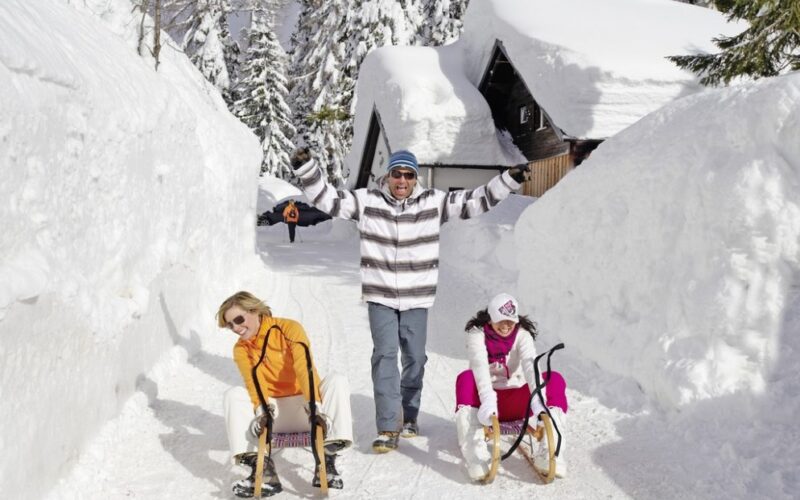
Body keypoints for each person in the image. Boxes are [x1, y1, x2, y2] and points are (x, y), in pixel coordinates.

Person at [291, 148, 530, 453]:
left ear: (415, 178)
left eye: (408, 174)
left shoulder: (434, 202)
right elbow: (328, 199)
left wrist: (508, 181)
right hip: (381, 296)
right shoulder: (368, 202)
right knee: (385, 357)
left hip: (417, 297)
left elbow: (473, 201)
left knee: (415, 359)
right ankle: (388, 426)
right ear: (387, 176)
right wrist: (306, 168)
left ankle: (409, 413)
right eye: (396, 173)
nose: (401, 180)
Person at [217, 291, 354, 497]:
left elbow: (303, 366)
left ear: (254, 310)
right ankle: (262, 472)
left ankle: (327, 458)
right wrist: (263, 413)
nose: (236, 328)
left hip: (306, 410)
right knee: (233, 394)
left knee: (337, 380)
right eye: (230, 325)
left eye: (239, 319)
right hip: (274, 414)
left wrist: (314, 407)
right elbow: (254, 383)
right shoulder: (241, 349)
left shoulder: (288, 328)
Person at [454, 293, 568, 481]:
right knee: (466, 379)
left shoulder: (522, 335)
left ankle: (550, 450)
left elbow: (531, 367)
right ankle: (476, 454)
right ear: (491, 318)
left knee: (554, 379)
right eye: (501, 321)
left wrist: (539, 402)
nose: (506, 326)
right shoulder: (477, 335)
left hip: (518, 402)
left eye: (510, 321)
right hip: (487, 406)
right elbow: (479, 367)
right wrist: (488, 402)